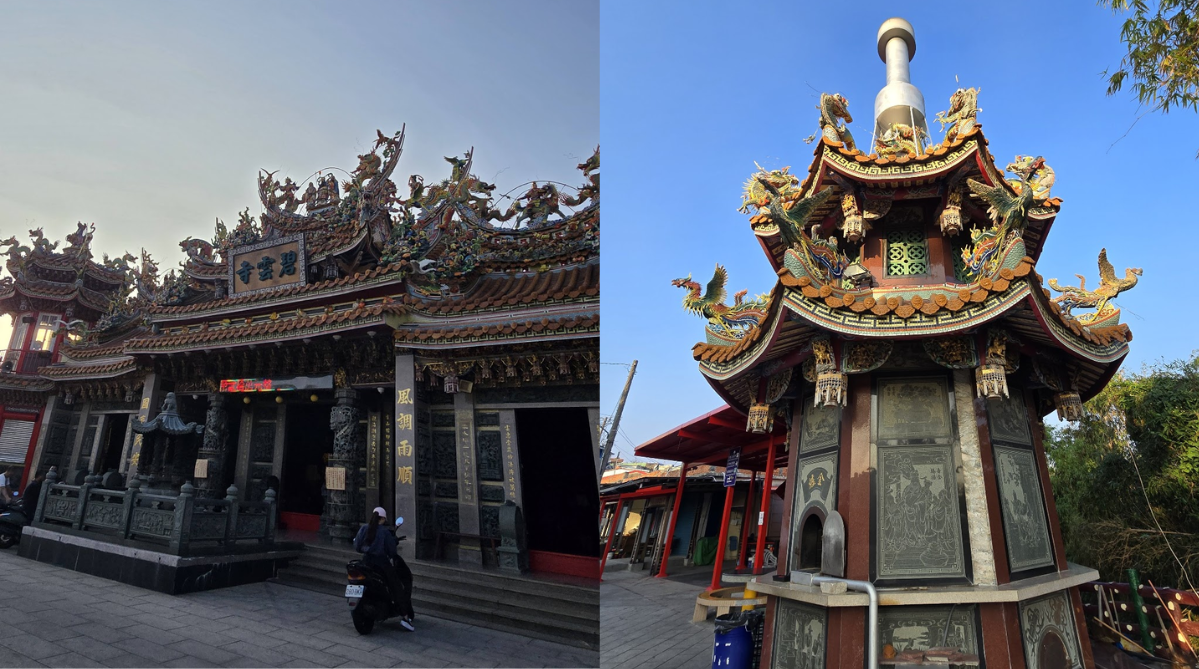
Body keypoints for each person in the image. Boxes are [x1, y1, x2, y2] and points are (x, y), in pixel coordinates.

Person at [354, 507, 414, 631]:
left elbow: (357, 546)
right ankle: (405, 616)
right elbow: (392, 551)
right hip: (381, 565)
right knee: (397, 587)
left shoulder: (364, 528)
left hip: (366, 563)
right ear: (383, 519)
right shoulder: (384, 532)